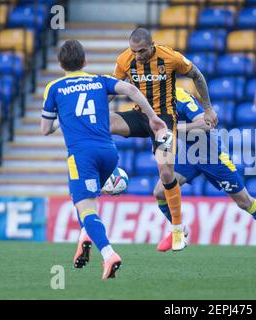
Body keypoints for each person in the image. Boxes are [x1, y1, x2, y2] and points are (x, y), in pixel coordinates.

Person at [41, 39, 167, 279]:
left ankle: (109, 254)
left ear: (60, 63)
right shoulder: (98, 80)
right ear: (85, 61)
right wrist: (152, 117)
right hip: (109, 153)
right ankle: (84, 236)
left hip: (82, 156)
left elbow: (45, 129)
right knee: (83, 201)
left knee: (86, 206)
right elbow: (131, 89)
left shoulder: (54, 88)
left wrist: (63, 116)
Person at [109, 28, 218, 251]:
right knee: (103, 121)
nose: (137, 55)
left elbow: (197, 75)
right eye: (134, 51)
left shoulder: (170, 57)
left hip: (165, 121)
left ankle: (178, 229)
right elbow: (112, 91)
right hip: (141, 116)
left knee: (166, 173)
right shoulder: (124, 59)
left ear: (152, 45)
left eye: (141, 51)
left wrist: (207, 108)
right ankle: (106, 171)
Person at [153, 87, 256, 251]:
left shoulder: (179, 96)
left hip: (212, 155)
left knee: (245, 202)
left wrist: (176, 129)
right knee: (159, 191)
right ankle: (177, 229)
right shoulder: (152, 101)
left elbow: (207, 124)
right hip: (189, 155)